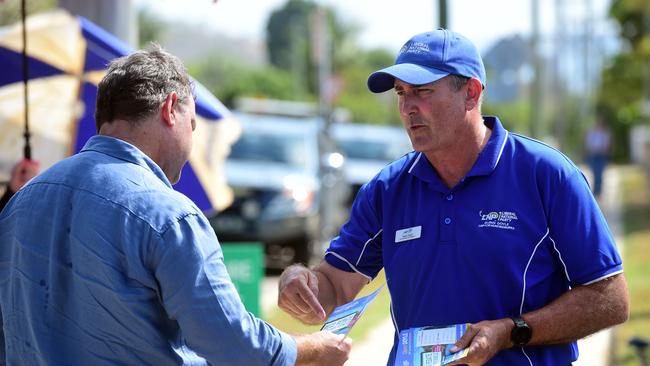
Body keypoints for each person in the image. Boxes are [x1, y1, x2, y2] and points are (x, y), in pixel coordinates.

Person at [277, 29, 629, 365]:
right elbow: (335, 286)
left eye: (423, 91)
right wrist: (301, 283)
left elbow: (610, 298)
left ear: (471, 93)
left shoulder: (546, 175)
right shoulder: (388, 189)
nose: (407, 108)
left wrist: (511, 332)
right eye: (401, 93)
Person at [0, 45, 351, 365]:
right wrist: (316, 348)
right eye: (193, 125)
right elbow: (239, 348)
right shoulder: (169, 215)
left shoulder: (21, 203)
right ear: (170, 109)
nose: (191, 142)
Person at [584, 117, 612, 197]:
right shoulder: (592, 133)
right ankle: (595, 191)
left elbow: (607, 145)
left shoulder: (605, 133)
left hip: (601, 155)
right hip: (593, 155)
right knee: (594, 173)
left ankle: (598, 192)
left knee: (600, 173)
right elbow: (588, 143)